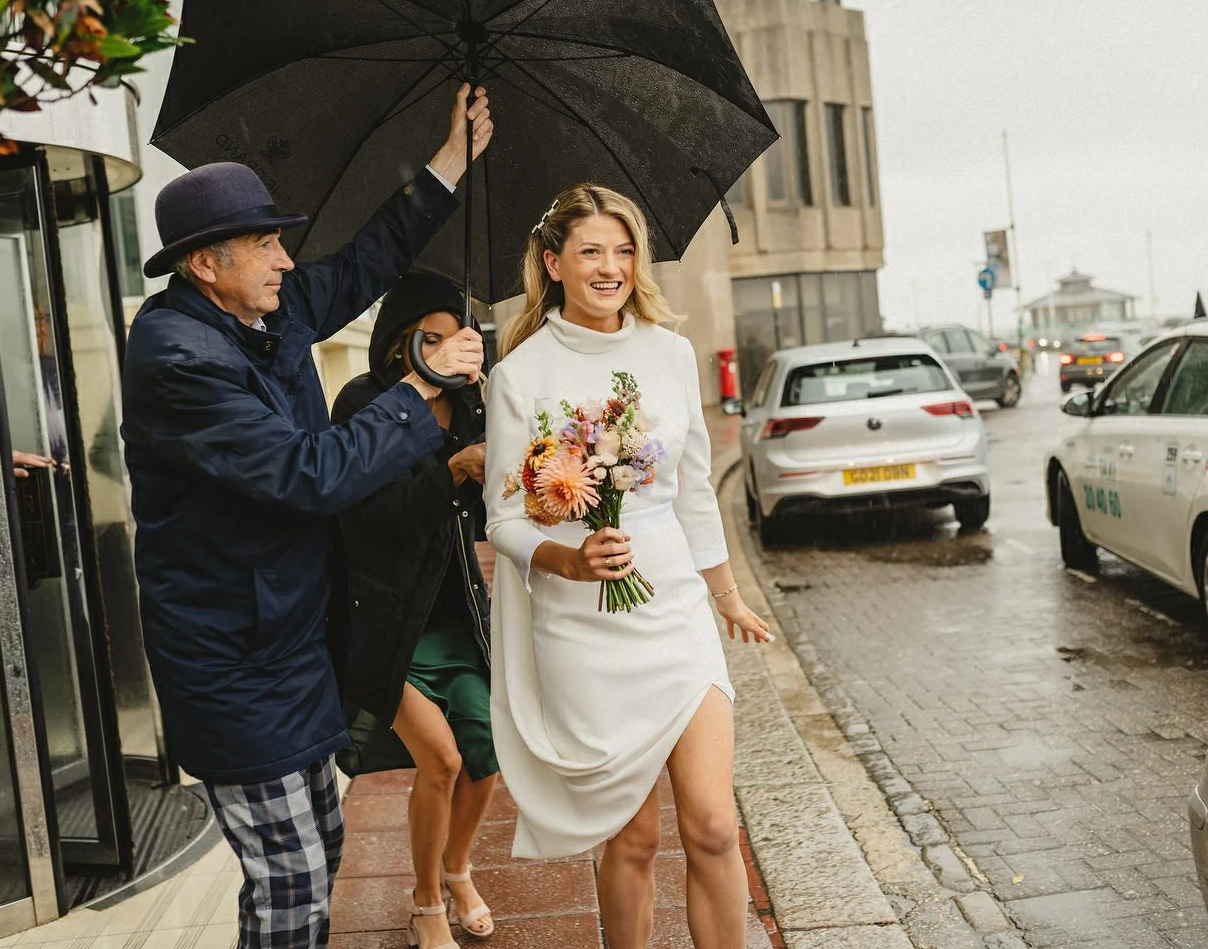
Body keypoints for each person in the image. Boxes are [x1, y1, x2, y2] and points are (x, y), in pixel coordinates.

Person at [120, 85, 492, 949]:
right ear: (205, 263)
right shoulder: (177, 359)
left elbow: (366, 263)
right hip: (233, 668)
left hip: (292, 646)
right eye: (264, 244)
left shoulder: (263, 311)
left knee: (316, 855)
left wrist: (449, 162)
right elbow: (307, 474)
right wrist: (424, 385)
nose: (286, 261)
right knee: (291, 881)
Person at [484, 184, 773, 949]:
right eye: (590, 252)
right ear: (553, 263)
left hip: (674, 608)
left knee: (713, 826)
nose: (610, 267)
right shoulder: (519, 375)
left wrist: (727, 597)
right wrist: (568, 559)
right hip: (583, 627)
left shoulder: (670, 352)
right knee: (633, 838)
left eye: (623, 250)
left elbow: (694, 493)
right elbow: (505, 518)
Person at [331, 272, 498, 948]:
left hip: (456, 611)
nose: (445, 351)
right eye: (429, 339)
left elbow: (485, 523)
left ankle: (457, 869)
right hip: (389, 620)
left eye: (456, 338)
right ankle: (427, 900)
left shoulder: (472, 405)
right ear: (401, 342)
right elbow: (375, 518)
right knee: (443, 760)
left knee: (487, 757)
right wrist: (454, 470)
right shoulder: (364, 402)